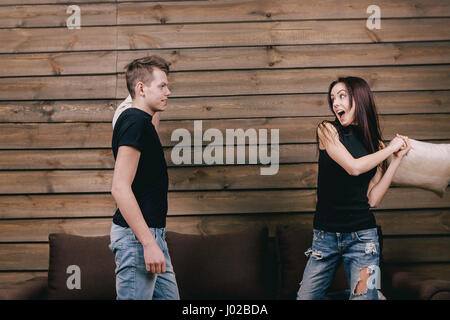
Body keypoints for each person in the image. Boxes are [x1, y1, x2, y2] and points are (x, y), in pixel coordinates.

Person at [297, 76, 411, 300]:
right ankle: (371, 295)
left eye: (342, 96)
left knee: (363, 299)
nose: (335, 104)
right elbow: (354, 168)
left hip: (363, 239)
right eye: (332, 99)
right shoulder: (327, 130)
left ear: (359, 99)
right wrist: (390, 150)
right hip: (325, 237)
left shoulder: (375, 145)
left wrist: (396, 159)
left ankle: (368, 295)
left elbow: (373, 199)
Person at [108, 56, 179, 300]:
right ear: (140, 88)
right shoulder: (135, 122)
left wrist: (153, 242)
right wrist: (148, 243)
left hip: (151, 236)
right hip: (138, 239)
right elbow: (119, 188)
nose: (168, 92)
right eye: (162, 86)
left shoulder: (141, 122)